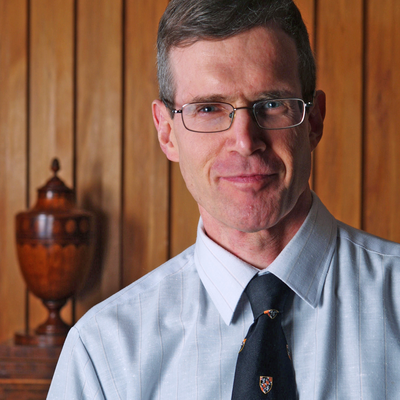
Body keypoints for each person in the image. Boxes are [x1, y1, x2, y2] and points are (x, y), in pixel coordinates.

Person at [47, 0, 400, 399]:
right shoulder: (104, 356)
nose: (246, 142)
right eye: (209, 108)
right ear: (166, 132)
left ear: (314, 120)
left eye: (271, 104)